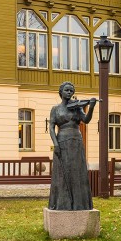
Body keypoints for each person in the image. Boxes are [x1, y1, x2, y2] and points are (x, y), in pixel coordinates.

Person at [48, 82, 96, 211]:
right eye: (67, 90)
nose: (69, 92)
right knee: (62, 174)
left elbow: (86, 120)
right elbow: (51, 127)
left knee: (78, 172)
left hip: (76, 141)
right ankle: (61, 203)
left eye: (71, 91)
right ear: (61, 92)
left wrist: (91, 107)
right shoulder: (55, 109)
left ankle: (79, 204)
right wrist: (56, 144)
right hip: (62, 141)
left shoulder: (77, 108)